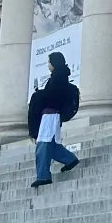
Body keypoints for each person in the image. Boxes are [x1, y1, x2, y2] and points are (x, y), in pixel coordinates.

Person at [27, 51, 80, 188]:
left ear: (55, 63)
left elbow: (52, 96)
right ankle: (70, 159)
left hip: (50, 115)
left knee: (43, 144)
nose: (48, 65)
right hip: (51, 115)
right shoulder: (58, 77)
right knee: (50, 143)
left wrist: (39, 95)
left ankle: (43, 176)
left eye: (49, 62)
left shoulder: (58, 78)